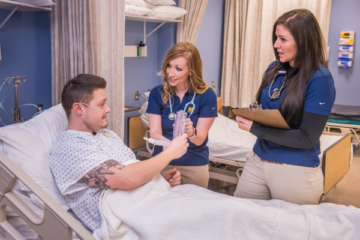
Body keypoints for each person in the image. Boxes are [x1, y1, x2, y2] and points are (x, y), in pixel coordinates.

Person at [49, 74, 189, 232]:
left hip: (152, 200)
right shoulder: (68, 146)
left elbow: (132, 173)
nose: (108, 109)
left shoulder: (108, 135)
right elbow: (128, 178)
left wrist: (157, 178)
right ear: (79, 109)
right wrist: (169, 153)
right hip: (127, 218)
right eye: (101, 104)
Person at [234, 9, 336, 205]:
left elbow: (306, 138)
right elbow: (265, 110)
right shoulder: (274, 69)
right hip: (258, 161)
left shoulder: (320, 79)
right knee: (241, 221)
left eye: (283, 39)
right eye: (276, 38)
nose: (275, 44)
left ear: (303, 41)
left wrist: (255, 128)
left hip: (295, 169)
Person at [147, 42, 218, 188]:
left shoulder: (207, 95)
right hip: (162, 162)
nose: (170, 73)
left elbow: (200, 140)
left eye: (178, 69)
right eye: (169, 66)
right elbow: (154, 133)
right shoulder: (157, 93)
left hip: (194, 165)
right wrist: (170, 145)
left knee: (194, 208)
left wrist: (191, 132)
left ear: (191, 71)